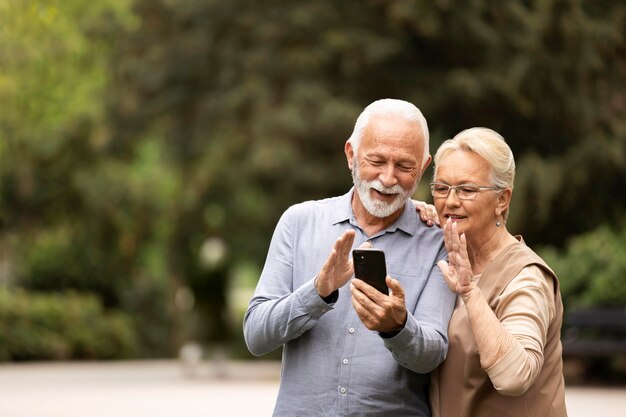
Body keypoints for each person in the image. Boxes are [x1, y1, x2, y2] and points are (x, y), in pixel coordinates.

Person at [243, 99, 456, 417]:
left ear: (424, 168)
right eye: (377, 160)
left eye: (404, 166)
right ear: (351, 155)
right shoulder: (299, 222)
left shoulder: (437, 241)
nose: (387, 178)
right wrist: (316, 292)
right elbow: (256, 337)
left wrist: (398, 327)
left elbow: (432, 354)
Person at [428, 127, 567, 417]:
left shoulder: (527, 276)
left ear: (502, 200)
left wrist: (469, 292)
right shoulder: (446, 256)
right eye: (442, 188)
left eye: (467, 190)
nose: (450, 201)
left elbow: (515, 376)